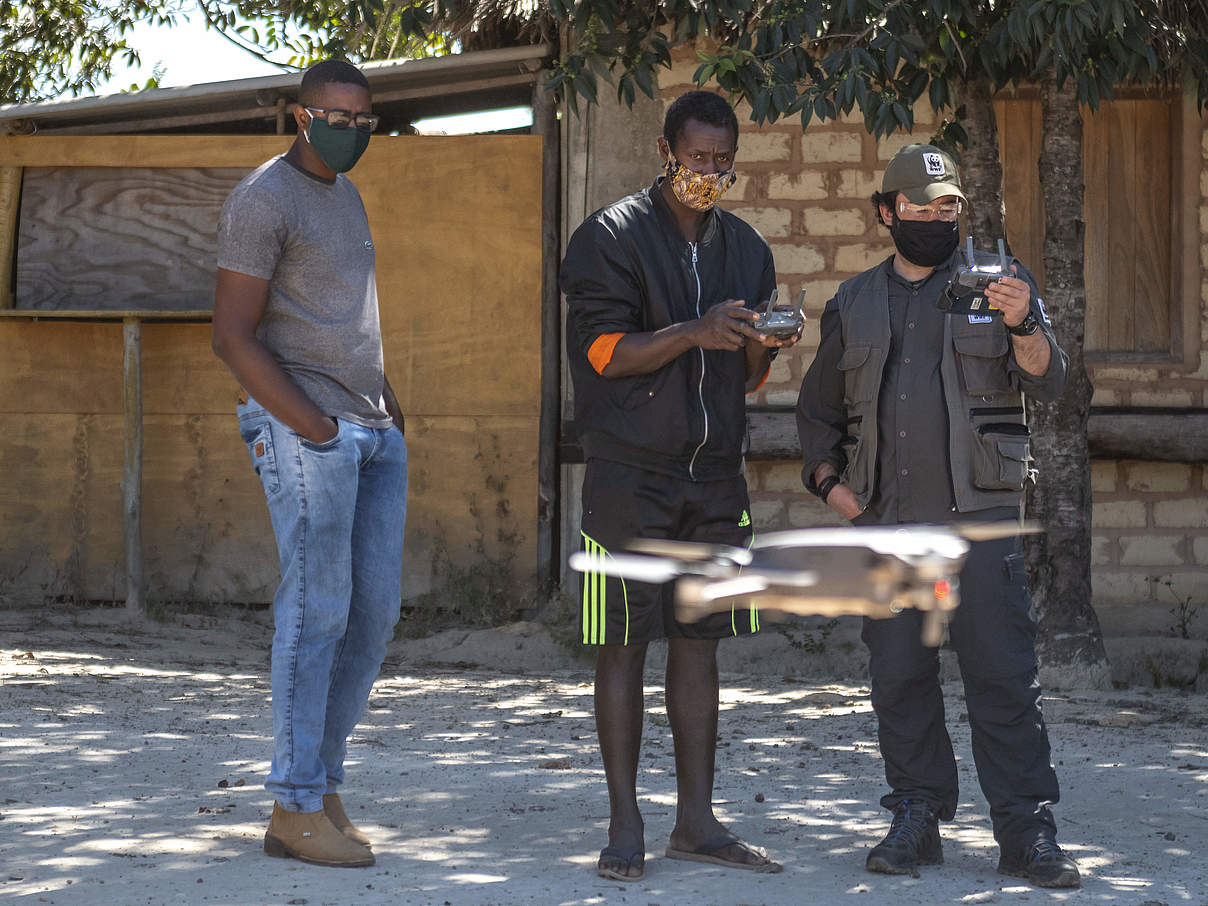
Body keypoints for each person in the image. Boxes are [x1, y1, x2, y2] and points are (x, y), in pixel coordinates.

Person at [796, 143, 1081, 889]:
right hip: (887, 528)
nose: (932, 220)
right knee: (898, 677)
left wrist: (1025, 327)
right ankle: (917, 815)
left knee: (1004, 679)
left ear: (961, 212)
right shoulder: (855, 301)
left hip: (980, 527)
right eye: (916, 210)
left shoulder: (1001, 286)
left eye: (945, 208)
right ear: (886, 214)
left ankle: (1026, 832)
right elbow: (818, 413)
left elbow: (1052, 387)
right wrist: (833, 488)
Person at [561, 90, 800, 882]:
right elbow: (599, 353)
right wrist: (693, 331)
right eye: (697, 158)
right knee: (622, 647)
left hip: (715, 478)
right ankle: (624, 824)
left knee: (700, 650)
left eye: (722, 160)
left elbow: (749, 377)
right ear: (666, 151)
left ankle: (695, 824)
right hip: (629, 477)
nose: (710, 172)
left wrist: (765, 343)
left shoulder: (747, 250)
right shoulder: (610, 237)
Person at [211, 59, 406, 869]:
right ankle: (292, 807)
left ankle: (319, 785)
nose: (349, 129)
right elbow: (232, 334)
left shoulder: (347, 195)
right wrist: (316, 428)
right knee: (316, 609)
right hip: (306, 431)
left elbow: (347, 317)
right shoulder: (264, 199)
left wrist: (389, 410)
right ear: (300, 116)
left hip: (370, 431)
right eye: (333, 115)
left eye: (362, 119)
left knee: (371, 617)